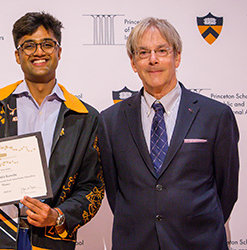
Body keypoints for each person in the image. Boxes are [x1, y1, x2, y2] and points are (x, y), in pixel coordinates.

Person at [0, 11, 104, 250]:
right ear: (17, 56)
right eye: (29, 45)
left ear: (59, 52)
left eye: (47, 44)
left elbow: (92, 186)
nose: (39, 52)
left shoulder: (85, 117)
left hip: (51, 241)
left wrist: (58, 215)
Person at [98, 17, 239, 250]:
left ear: (177, 56)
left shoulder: (216, 115)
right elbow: (115, 192)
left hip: (200, 243)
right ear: (133, 62)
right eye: (143, 53)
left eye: (162, 50)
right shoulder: (110, 120)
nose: (153, 59)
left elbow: (227, 189)